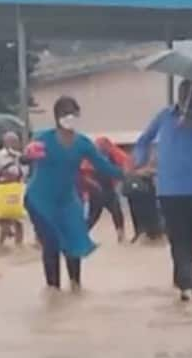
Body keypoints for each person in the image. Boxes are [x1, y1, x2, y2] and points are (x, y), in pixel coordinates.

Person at [134, 80, 192, 302]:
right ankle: (189, 285)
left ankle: (181, 277)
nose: (189, 100)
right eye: (186, 95)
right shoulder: (165, 116)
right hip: (169, 189)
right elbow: (143, 140)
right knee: (178, 237)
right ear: (179, 96)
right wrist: (140, 162)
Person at [24, 96, 123, 292]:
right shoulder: (43, 139)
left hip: (67, 200)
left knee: (74, 241)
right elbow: (26, 157)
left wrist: (128, 173)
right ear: (57, 117)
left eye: (73, 113)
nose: (69, 117)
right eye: (65, 113)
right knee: (51, 243)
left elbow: (103, 166)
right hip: (40, 200)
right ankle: (53, 290)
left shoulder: (83, 144)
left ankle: (76, 287)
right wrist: (27, 156)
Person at [0, 131, 27, 248]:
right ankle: (0, 246)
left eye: (16, 141)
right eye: (11, 141)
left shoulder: (20, 157)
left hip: (15, 193)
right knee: (4, 221)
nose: (14, 144)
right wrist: (2, 174)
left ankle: (19, 247)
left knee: (18, 221)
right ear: (5, 142)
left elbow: (25, 174)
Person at [84, 136, 129, 243]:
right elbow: (85, 174)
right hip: (95, 188)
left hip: (108, 187)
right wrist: (94, 185)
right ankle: (82, 235)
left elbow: (125, 163)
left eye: (103, 145)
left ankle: (121, 235)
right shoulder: (91, 156)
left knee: (116, 211)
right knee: (94, 215)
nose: (100, 148)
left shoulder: (113, 153)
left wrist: (118, 181)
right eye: (99, 146)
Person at [124, 145, 163, 243]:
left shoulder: (153, 156)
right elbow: (127, 171)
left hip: (147, 188)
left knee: (151, 212)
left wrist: (144, 171)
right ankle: (142, 233)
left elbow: (157, 170)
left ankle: (152, 233)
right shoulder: (132, 158)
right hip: (135, 189)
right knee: (138, 212)